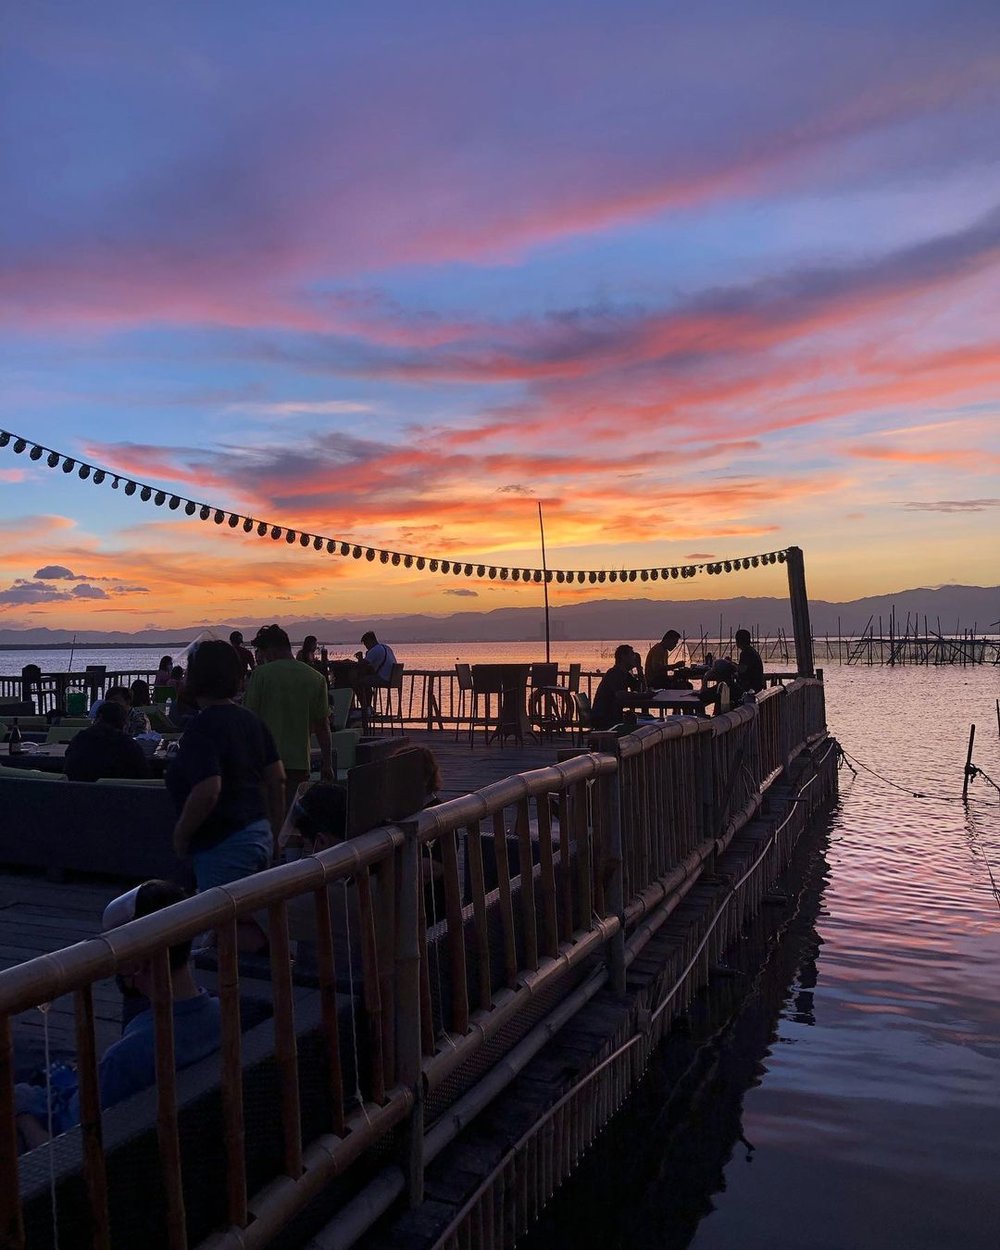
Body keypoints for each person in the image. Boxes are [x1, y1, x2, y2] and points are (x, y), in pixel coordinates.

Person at [14, 879, 221, 1151]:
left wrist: (21, 1112)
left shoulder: (133, 1055)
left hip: (50, 1127)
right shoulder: (222, 1013)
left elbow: (65, 1153)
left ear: (137, 962)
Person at [166, 640, 285, 900]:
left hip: (222, 843)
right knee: (249, 917)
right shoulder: (251, 721)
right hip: (259, 833)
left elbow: (208, 789)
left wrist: (182, 834)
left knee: (220, 927)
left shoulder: (202, 727)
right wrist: (275, 833)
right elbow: (277, 779)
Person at [245, 624, 334, 804]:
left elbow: (248, 720)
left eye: (260, 651)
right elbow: (323, 726)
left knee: (266, 817)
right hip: (299, 763)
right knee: (290, 820)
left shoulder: (260, 675)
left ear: (269, 649)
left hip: (264, 763)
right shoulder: (316, 678)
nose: (260, 657)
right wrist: (327, 763)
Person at [65, 700, 150, 782]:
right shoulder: (129, 745)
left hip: (78, 793)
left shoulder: (80, 740)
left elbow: (68, 768)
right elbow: (144, 774)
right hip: (122, 794)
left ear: (99, 718)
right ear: (124, 723)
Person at [591, 644, 644, 731]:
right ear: (623, 657)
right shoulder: (614, 673)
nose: (634, 658)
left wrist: (639, 668)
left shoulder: (626, 674)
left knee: (639, 718)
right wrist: (641, 696)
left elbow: (640, 689)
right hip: (604, 717)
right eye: (632, 655)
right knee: (636, 722)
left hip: (614, 714)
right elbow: (620, 694)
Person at [353, 631, 397, 712]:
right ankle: (368, 707)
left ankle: (365, 707)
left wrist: (359, 658)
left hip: (383, 679)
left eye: (366, 644)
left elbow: (362, 665)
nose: (366, 647)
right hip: (392, 679)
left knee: (357, 682)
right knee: (366, 680)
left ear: (370, 641)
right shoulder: (386, 647)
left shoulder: (374, 650)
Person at [734, 629, 766, 700]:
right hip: (756, 686)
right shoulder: (752, 651)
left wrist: (732, 665)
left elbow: (742, 669)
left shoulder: (746, 653)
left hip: (751, 688)